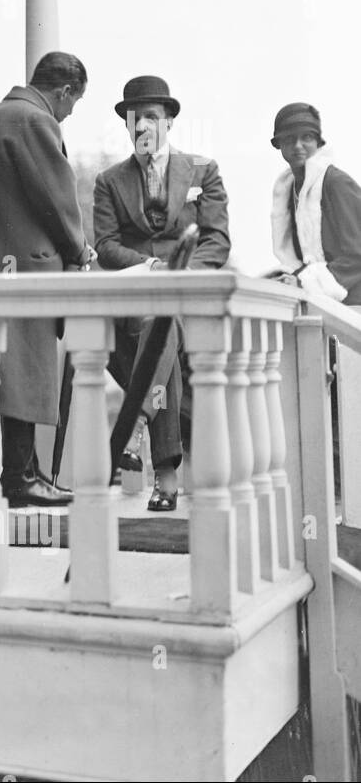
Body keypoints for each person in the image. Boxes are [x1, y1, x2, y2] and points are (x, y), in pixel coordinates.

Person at [0, 52, 96, 507]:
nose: (68, 113)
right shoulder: (35, 121)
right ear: (64, 91)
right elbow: (56, 199)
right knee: (23, 373)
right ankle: (21, 477)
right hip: (23, 272)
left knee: (7, 378)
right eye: (73, 102)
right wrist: (79, 249)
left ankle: (24, 473)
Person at [93, 75, 230, 512]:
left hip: (188, 294)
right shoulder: (109, 181)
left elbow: (217, 241)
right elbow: (106, 245)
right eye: (134, 120)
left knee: (162, 326)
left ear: (168, 121)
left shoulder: (202, 170)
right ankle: (166, 475)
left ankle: (141, 433)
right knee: (157, 327)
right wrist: (148, 266)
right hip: (137, 294)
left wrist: (180, 273)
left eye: (151, 117)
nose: (142, 128)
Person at [270, 102, 361, 305]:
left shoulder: (336, 182)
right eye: (289, 139)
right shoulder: (287, 190)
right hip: (318, 304)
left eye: (307, 137)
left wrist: (304, 284)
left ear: (318, 142)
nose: (298, 146)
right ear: (279, 145)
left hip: (353, 303)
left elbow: (358, 255)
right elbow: (300, 260)